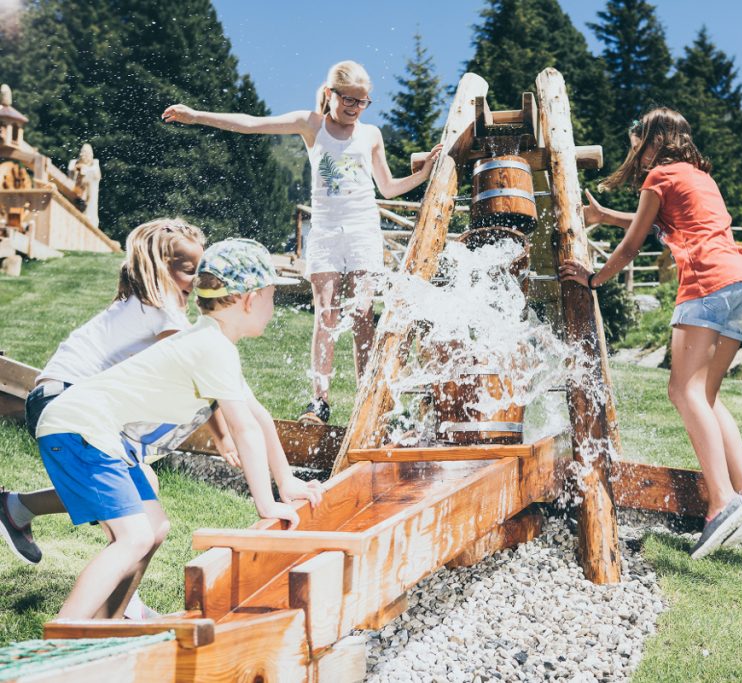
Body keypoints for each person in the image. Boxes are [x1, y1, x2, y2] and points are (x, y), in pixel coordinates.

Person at [28, 238, 324, 620]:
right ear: (249, 299)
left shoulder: (210, 341)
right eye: (270, 296)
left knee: (154, 528)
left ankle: (106, 628)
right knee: (133, 536)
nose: (272, 306)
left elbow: (260, 416)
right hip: (79, 428)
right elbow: (245, 429)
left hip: (94, 432)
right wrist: (266, 502)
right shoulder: (212, 347)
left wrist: (287, 481)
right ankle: (62, 637)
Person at [161, 60, 443, 426]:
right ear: (331, 94)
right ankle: (319, 402)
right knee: (326, 314)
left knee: (360, 316)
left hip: (362, 231)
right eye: (349, 101)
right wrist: (196, 116)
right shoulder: (312, 125)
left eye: (362, 102)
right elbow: (250, 124)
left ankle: (367, 399)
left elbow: (387, 187)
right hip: (325, 232)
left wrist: (421, 174)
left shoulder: (370, 134)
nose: (355, 109)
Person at [559, 108, 742, 559]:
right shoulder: (696, 176)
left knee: (683, 391)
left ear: (652, 139)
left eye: (635, 140)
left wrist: (594, 279)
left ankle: (721, 502)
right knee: (708, 396)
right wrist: (604, 215)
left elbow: (634, 244)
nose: (632, 149)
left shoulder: (658, 176)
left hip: (707, 284)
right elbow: (662, 225)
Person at [0, 218, 239, 617]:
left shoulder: (152, 304)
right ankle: (113, 613)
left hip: (71, 402)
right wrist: (224, 436)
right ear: (161, 267)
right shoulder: (161, 309)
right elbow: (200, 373)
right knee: (131, 527)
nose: (196, 280)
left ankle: (18, 509)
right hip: (68, 402)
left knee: (148, 516)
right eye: (188, 270)